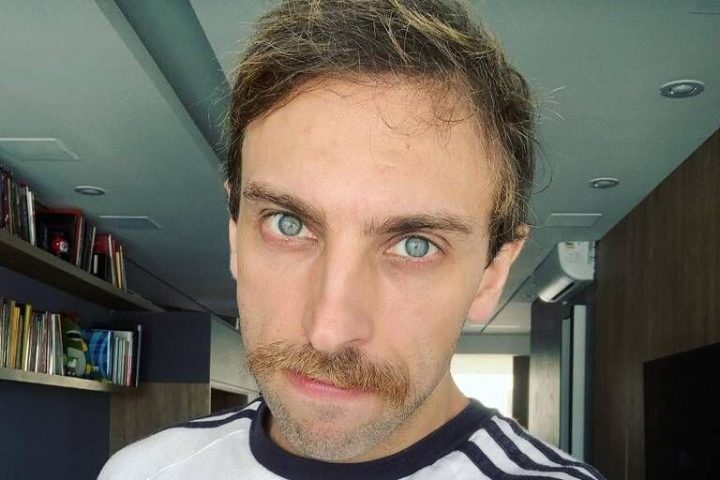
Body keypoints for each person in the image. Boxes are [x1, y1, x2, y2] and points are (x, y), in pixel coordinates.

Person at [100, 0, 605, 478]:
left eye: (415, 245)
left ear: (491, 274)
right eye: (287, 223)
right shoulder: (140, 472)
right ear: (236, 234)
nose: (329, 331)